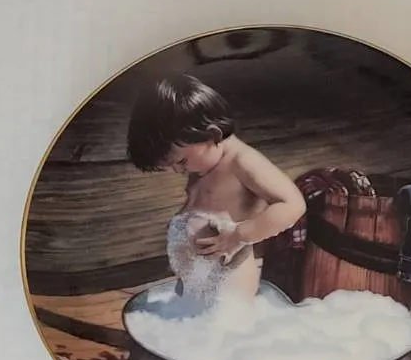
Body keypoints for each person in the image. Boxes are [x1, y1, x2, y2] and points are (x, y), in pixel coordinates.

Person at [127, 73, 305, 305]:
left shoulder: (242, 162)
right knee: (185, 317)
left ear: (213, 135)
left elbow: (293, 204)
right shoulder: (203, 162)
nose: (178, 171)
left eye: (181, 162)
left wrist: (239, 235)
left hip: (229, 277)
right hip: (195, 278)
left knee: (222, 321)